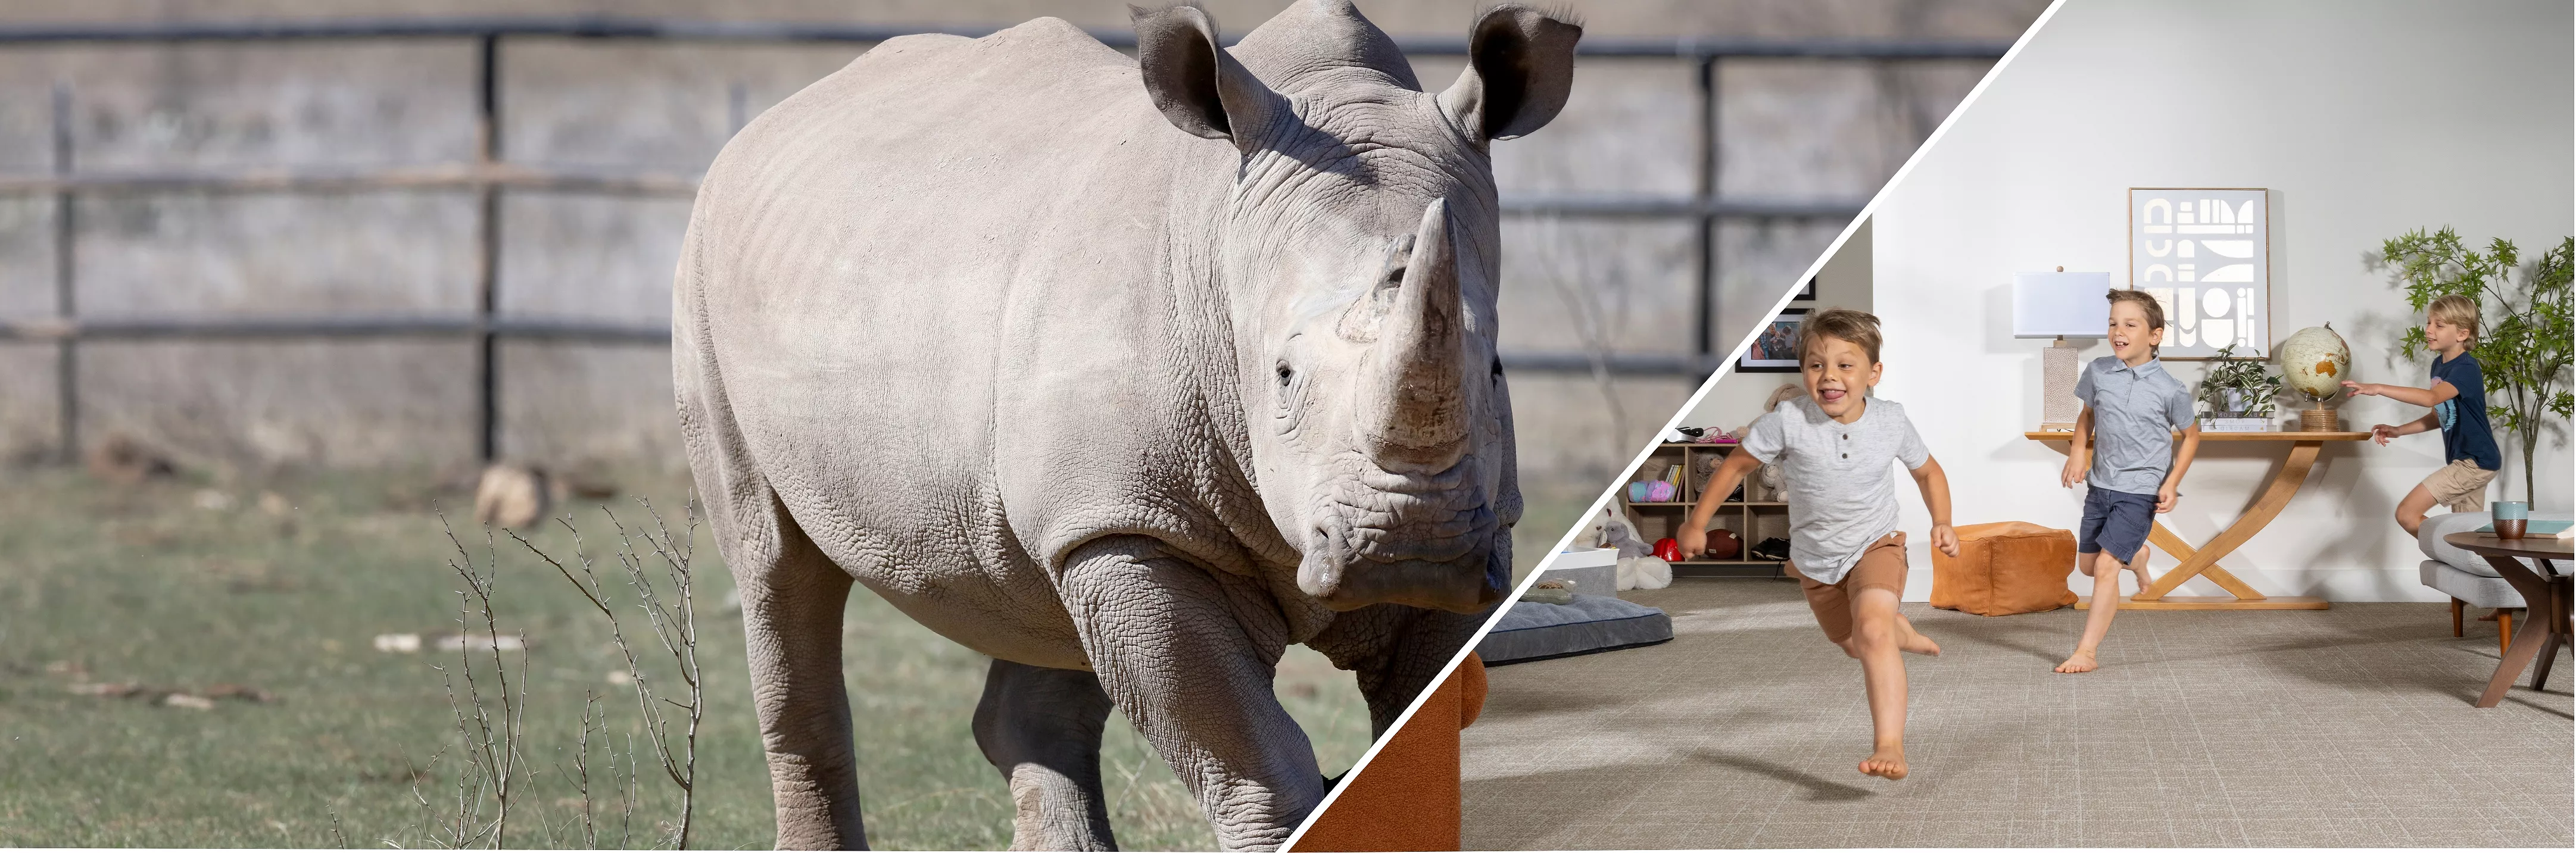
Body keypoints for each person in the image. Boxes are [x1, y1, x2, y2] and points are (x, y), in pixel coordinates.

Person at [1680, 308, 1956, 781]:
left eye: (1846, 365)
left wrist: (1943, 522)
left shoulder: (1891, 420)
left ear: (1874, 373)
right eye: (1816, 364)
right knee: (1854, 643)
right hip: (1816, 561)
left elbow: (1928, 471)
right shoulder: (1787, 420)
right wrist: (1696, 522)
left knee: (1871, 632)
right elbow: (1735, 467)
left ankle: (1889, 742)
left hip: (1877, 543)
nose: (1830, 376)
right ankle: (1901, 632)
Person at [2055, 289, 2200, 674]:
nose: (2118, 330)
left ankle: (2087, 652)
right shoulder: (2099, 371)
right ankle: (2138, 557)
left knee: (2105, 568)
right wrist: (2077, 452)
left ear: (2154, 335)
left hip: (2142, 491)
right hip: (2101, 485)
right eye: (2112, 323)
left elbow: (2193, 435)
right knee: (2088, 566)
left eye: (2130, 324)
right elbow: (2087, 415)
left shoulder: (2170, 388)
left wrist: (2171, 482)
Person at [2345, 293, 2502, 535]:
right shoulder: (2439, 365)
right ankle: (2478, 565)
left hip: (2475, 463)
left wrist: (2379, 388)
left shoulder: (2467, 369)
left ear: (2462, 334)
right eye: (2429, 322)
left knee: (2407, 514)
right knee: (2471, 539)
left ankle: (2450, 553)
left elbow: (2432, 398)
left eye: (2439, 325)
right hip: (2468, 461)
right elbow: (2439, 415)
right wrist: (2399, 431)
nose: (2429, 330)